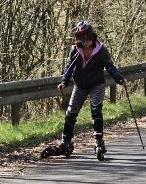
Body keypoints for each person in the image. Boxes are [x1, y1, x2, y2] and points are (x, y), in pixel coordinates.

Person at [42, 20, 125, 160]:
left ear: (92, 37)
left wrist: (120, 79)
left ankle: (99, 142)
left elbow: (110, 67)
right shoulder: (75, 50)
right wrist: (64, 82)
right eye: (81, 39)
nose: (84, 43)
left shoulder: (101, 51)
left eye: (86, 39)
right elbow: (69, 67)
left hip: (96, 84)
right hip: (80, 85)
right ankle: (66, 143)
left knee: (96, 110)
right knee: (70, 113)